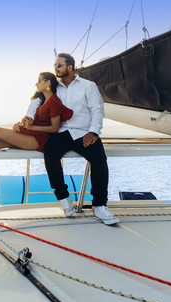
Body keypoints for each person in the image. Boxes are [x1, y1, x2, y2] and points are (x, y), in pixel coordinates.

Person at [44, 53, 119, 225]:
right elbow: (41, 103)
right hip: (61, 132)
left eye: (59, 65)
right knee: (49, 153)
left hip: (83, 132)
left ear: (70, 67)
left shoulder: (88, 85)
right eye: (55, 65)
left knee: (99, 157)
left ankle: (99, 206)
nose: (55, 68)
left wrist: (93, 132)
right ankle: (63, 198)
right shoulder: (54, 87)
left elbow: (97, 109)